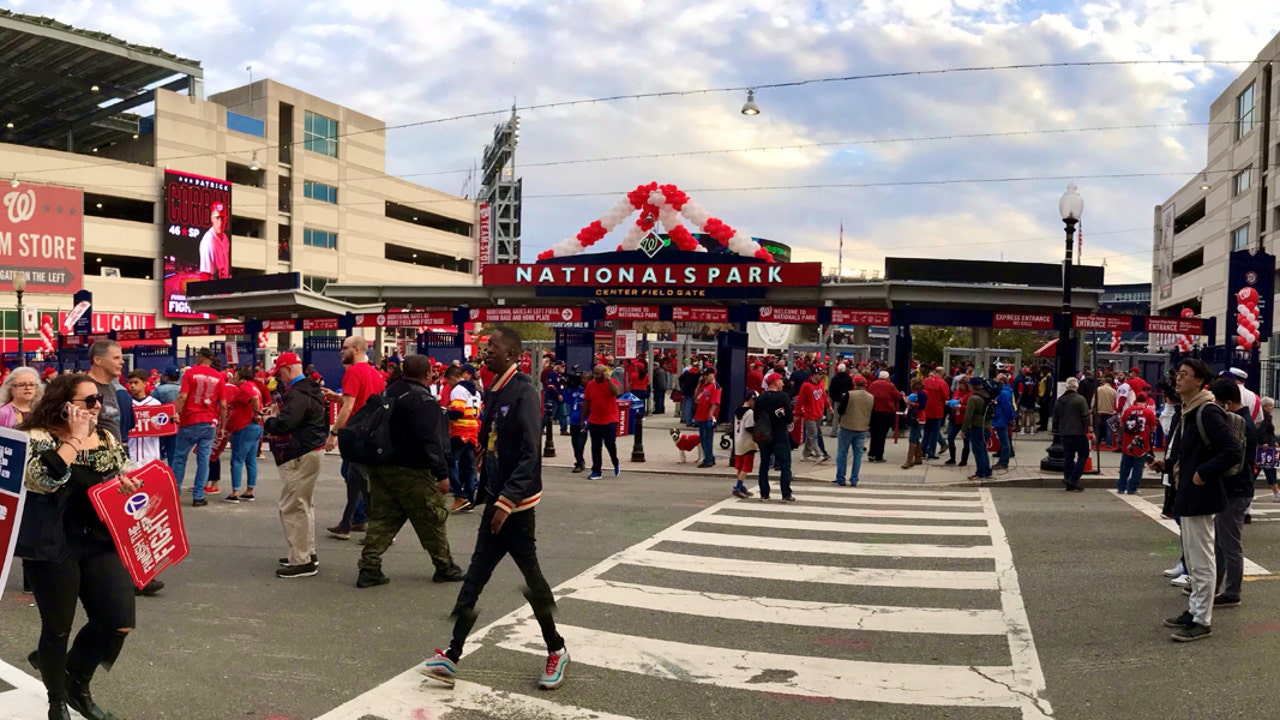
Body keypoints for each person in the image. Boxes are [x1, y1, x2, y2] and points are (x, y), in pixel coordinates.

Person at [421, 327, 569, 690]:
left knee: (533, 581)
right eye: (486, 348)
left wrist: (507, 502)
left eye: (494, 348)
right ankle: (452, 655)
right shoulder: (496, 391)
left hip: (515, 508)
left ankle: (557, 648)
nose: (486, 353)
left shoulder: (523, 393)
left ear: (513, 354)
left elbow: (530, 455)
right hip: (495, 501)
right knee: (474, 578)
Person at [16, 373, 139, 720]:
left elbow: (120, 472)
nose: (97, 406)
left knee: (118, 620)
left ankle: (73, 678)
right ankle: (58, 699)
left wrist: (126, 483)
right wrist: (73, 439)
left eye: (98, 399)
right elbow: (41, 480)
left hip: (99, 539)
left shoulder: (104, 437)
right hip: (52, 543)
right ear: (64, 404)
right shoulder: (36, 436)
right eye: (88, 401)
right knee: (57, 628)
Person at [1149, 358, 1241, 642]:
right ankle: (1194, 610)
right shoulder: (1189, 409)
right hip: (1187, 493)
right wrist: (1169, 464)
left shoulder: (1207, 411)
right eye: (1178, 374)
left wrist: (1202, 472)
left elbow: (1232, 450)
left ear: (1200, 382)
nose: (1178, 379)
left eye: (1185, 375)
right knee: (1192, 558)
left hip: (1201, 495)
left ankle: (1202, 619)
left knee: (1201, 562)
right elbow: (1194, 451)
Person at [358, 355, 466, 588]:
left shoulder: (389, 392)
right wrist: (442, 472)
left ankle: (369, 566)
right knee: (431, 516)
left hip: (381, 464)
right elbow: (429, 441)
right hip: (413, 469)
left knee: (384, 516)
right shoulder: (423, 401)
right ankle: (444, 566)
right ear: (428, 375)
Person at [262, 352, 329, 578]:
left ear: (289, 369)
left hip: (298, 451)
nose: (279, 378)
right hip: (310, 449)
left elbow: (286, 423)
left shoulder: (297, 394)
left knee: (292, 507)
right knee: (303, 505)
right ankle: (305, 553)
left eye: (280, 373)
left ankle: (302, 560)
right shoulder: (311, 389)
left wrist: (269, 421)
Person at [326, 335, 386, 541]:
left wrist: (334, 432)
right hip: (371, 432)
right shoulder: (375, 374)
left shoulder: (353, 372)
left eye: (345, 348)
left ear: (358, 350)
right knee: (354, 478)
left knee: (360, 480)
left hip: (356, 433)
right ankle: (348, 522)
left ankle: (379, 527)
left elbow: (349, 406)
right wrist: (339, 398)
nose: (342, 351)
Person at [1209, 378, 1253, 610]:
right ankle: (1214, 585)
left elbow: (1233, 459)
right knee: (1221, 543)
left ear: (1226, 402)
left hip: (1235, 490)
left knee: (1230, 544)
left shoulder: (1238, 423)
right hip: (1236, 489)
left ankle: (1232, 591)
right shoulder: (1244, 420)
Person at [172, 347, 227, 507]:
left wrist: (173, 412)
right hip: (209, 423)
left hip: (189, 420)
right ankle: (198, 496)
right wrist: (222, 426)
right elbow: (223, 405)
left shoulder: (190, 373)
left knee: (180, 458)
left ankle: (174, 492)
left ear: (201, 357)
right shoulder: (219, 377)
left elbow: (183, 396)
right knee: (203, 460)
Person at [753, 372, 796, 502]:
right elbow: (789, 416)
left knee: (764, 464)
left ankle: (764, 493)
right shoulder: (783, 397)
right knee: (785, 465)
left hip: (765, 435)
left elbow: (756, 417)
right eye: (780, 380)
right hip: (780, 434)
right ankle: (786, 493)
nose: (782, 383)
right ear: (775, 383)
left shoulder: (760, 398)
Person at [225, 366, 264, 503]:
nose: (233, 379)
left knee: (236, 460)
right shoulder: (254, 387)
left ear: (241, 378)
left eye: (235, 376)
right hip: (254, 427)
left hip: (244, 426)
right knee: (251, 460)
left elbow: (254, 399)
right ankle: (249, 490)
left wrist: (255, 415)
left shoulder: (245, 388)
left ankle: (235, 491)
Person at [446, 365, 482, 513]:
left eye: (448, 381)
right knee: (468, 466)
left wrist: (445, 412)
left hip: (460, 430)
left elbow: (458, 412)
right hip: (473, 430)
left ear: (452, 378)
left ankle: (459, 496)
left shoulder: (458, 390)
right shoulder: (476, 391)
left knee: (448, 463)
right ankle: (469, 498)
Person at [582, 363, 622, 480]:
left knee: (610, 444)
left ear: (604, 373)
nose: (595, 376)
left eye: (598, 374)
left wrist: (608, 380)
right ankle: (596, 471)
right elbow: (586, 402)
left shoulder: (611, 382)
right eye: (594, 373)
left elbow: (617, 393)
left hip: (610, 419)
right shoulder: (590, 385)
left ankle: (615, 462)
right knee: (595, 446)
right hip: (594, 420)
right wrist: (582, 419)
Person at [834, 375, 874, 487]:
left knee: (842, 453)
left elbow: (841, 410)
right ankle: (854, 479)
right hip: (862, 428)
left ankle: (841, 478)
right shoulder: (871, 397)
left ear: (854, 384)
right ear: (865, 385)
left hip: (847, 426)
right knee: (858, 455)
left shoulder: (849, 394)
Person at [1053, 377, 1091, 492]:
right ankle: (1073, 479)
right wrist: (1089, 429)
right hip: (1078, 432)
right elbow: (1085, 416)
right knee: (1083, 455)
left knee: (1069, 457)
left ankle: (1067, 478)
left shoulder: (1059, 400)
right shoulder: (1080, 399)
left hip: (1064, 433)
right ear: (1076, 387)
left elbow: (1056, 418)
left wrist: (1057, 429)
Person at [1117, 392, 1157, 495]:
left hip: (1127, 443)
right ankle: (1132, 488)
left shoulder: (1128, 410)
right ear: (1146, 400)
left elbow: (1122, 423)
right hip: (1141, 444)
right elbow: (1153, 428)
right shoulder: (1148, 412)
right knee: (1138, 467)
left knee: (1125, 465)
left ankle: (1121, 487)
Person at [85, 340, 124, 443]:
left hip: (114, 453)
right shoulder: (83, 386)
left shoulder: (111, 386)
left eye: (121, 358)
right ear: (98, 360)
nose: (122, 362)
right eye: (116, 358)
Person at [125, 369, 162, 466]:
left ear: (145, 383)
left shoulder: (155, 404)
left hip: (150, 455)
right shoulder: (125, 404)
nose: (132, 385)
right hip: (131, 454)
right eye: (130, 383)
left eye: (136, 382)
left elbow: (164, 428)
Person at [794, 370, 831, 462]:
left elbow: (824, 396)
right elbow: (801, 400)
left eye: (822, 374)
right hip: (809, 414)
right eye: (819, 374)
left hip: (819, 413)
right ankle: (819, 454)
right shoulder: (806, 385)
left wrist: (829, 406)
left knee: (811, 435)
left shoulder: (821, 384)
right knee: (813, 435)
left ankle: (806, 453)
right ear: (814, 375)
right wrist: (797, 413)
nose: (821, 376)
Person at [962, 377, 993, 481]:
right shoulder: (987, 395)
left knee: (977, 451)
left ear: (973, 386)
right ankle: (987, 471)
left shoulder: (973, 398)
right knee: (983, 450)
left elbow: (968, 415)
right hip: (987, 426)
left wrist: (964, 430)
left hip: (977, 426)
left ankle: (980, 473)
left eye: (969, 385)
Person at [149, 366, 182, 463]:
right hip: (176, 424)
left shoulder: (160, 389)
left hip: (161, 423)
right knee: (173, 454)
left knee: (156, 451)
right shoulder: (182, 389)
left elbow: (151, 403)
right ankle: (173, 475)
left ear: (166, 377)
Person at [693, 367, 722, 468]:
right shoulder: (705, 385)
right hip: (701, 415)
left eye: (708, 375)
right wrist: (699, 384)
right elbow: (696, 396)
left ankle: (708, 459)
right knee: (703, 438)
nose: (706, 377)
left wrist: (711, 414)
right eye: (705, 375)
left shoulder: (715, 387)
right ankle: (710, 457)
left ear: (713, 374)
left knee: (707, 438)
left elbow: (716, 402)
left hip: (708, 417)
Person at [730, 392, 758, 499]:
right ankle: (737, 487)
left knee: (740, 466)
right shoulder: (749, 413)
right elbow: (749, 427)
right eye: (754, 401)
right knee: (746, 467)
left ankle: (740, 485)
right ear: (751, 399)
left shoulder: (738, 411)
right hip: (747, 442)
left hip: (738, 440)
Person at [867, 371, 898, 463]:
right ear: (887, 378)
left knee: (874, 433)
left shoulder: (873, 385)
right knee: (882, 434)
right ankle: (879, 455)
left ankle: (871, 453)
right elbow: (897, 396)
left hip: (874, 411)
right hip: (886, 412)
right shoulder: (890, 385)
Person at [921, 367, 951, 461]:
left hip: (926, 409)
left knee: (926, 431)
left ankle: (923, 450)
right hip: (937, 410)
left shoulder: (926, 381)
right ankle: (931, 452)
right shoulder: (942, 383)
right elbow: (945, 397)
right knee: (934, 432)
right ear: (942, 373)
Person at [199, 201, 231, 280]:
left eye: (223, 218)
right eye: (217, 218)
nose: (220, 223)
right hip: (213, 290)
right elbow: (205, 274)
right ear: (212, 218)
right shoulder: (208, 241)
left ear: (226, 219)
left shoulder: (225, 239)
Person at [564, 368, 588, 473]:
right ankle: (579, 460)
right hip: (573, 420)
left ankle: (579, 462)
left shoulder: (589, 391)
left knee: (580, 443)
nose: (582, 380)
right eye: (582, 378)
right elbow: (567, 399)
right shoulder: (575, 390)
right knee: (574, 443)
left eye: (585, 379)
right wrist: (566, 387)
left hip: (584, 421)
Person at [945, 377, 972, 467]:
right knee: (950, 437)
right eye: (961, 384)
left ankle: (964, 460)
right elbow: (953, 399)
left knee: (966, 440)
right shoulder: (957, 391)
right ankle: (952, 458)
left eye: (963, 384)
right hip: (955, 418)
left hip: (964, 419)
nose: (961, 386)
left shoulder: (970, 394)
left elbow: (969, 407)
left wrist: (961, 407)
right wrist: (950, 403)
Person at [991, 373, 1016, 471]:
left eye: (997, 380)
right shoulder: (1005, 391)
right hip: (1001, 418)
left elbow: (1007, 406)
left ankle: (1003, 462)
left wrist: (1011, 417)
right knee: (1003, 441)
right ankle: (1002, 461)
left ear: (1002, 381)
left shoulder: (1003, 393)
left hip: (1002, 418)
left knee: (1004, 441)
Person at [901, 378, 926, 469]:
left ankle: (909, 460)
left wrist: (910, 402)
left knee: (912, 439)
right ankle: (918, 458)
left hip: (918, 418)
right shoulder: (919, 393)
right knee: (916, 437)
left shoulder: (921, 394)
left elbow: (922, 406)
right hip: (917, 418)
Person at [1259, 397, 1279, 502]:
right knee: (1270, 469)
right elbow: (1261, 431)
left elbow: (1269, 433)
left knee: (1267, 469)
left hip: (1267, 446)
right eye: (1270, 405)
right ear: (1264, 406)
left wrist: (1274, 440)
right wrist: (1264, 442)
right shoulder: (1264, 417)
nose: (1272, 407)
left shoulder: (1266, 417)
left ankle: (1276, 493)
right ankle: (1276, 493)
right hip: (1265, 448)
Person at [1094, 374, 1118, 448]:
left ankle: (1097, 442)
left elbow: (1093, 400)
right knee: (1109, 427)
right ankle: (1108, 443)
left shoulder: (1098, 389)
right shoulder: (1113, 391)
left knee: (1097, 427)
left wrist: (1092, 408)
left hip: (1099, 410)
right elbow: (1116, 402)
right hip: (1109, 411)